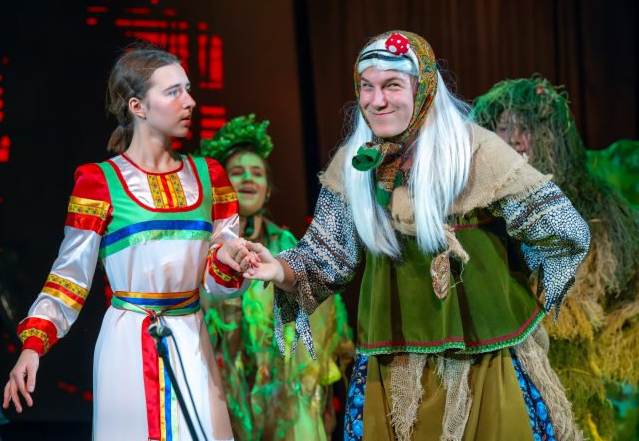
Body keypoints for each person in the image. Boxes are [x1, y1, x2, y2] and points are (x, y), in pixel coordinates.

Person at [240, 31, 590, 440]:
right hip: (393, 366)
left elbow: (564, 228)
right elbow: (325, 255)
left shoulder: (474, 153)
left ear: (422, 88)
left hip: (484, 362)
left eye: (392, 85)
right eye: (366, 87)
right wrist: (279, 268)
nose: (377, 101)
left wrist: (524, 273)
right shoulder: (355, 164)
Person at [2, 45, 256, 441]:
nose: (189, 102)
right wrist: (33, 345)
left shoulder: (210, 177)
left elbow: (220, 285)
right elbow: (69, 277)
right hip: (127, 342)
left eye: (188, 89)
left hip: (191, 336)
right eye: (173, 92)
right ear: (137, 106)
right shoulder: (99, 182)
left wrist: (228, 258)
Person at [472, 76, 639, 440]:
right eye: (505, 128)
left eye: (527, 128)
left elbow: (626, 295)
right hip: (498, 371)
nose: (516, 139)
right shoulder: (476, 209)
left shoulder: (595, 207)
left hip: (568, 375)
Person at [198, 114, 354, 440]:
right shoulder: (203, 247)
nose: (247, 179)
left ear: (268, 189)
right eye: (237, 172)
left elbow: (319, 316)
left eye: (257, 173)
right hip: (219, 384)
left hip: (279, 396)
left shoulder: (284, 245)